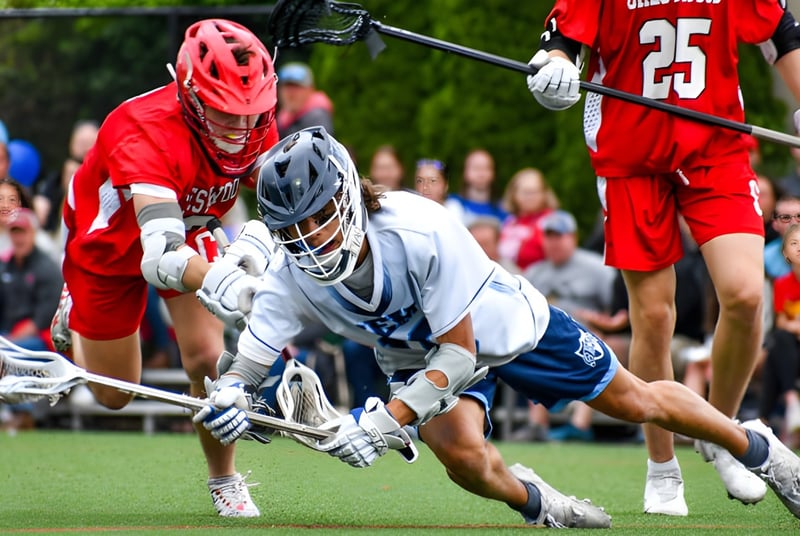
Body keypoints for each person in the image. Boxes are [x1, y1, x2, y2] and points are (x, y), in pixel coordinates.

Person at [195, 127, 800, 527]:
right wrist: (228, 395)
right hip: (411, 356)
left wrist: (383, 422)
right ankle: (544, 505)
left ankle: (763, 452)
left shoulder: (418, 228)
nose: (310, 239)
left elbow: (459, 356)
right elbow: (248, 362)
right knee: (465, 461)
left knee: (635, 400)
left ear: (350, 196)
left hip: (500, 327)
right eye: (293, 229)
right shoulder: (290, 273)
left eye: (320, 217)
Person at [527, 0, 800, 516]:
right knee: (653, 317)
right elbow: (564, 37)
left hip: (714, 145)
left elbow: (780, 32)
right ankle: (662, 467)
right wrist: (557, 66)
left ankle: (719, 432)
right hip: (629, 153)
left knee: (743, 295)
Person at [48, 19, 280, 517]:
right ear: (190, 94)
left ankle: (224, 478)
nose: (241, 132)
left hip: (190, 224)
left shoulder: (254, 118)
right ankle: (74, 314)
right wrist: (226, 279)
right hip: (111, 244)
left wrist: (260, 245)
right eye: (225, 113)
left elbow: (279, 199)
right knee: (113, 395)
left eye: (250, 113)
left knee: (207, 359)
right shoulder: (141, 128)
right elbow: (161, 254)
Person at [521, 209, 617, 442]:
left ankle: (579, 425)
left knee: (595, 343)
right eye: (549, 236)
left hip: (587, 335)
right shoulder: (534, 272)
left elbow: (615, 308)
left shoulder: (597, 268)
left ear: (572, 237)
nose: (553, 243)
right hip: (546, 337)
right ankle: (537, 425)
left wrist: (603, 321)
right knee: (525, 346)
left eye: (559, 236)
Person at [0, 208, 63, 431]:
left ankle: (24, 413)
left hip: (43, 341)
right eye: (14, 232)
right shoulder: (4, 267)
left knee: (8, 355)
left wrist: (7, 341)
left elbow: (41, 320)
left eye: (22, 232)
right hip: (10, 336)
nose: (18, 238)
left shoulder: (46, 269)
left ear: (33, 233)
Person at [759, 222, 800, 447]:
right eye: (794, 244)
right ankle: (791, 400)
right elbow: (782, 321)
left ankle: (765, 418)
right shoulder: (783, 284)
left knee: (776, 349)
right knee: (780, 341)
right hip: (792, 348)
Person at [498, 167, 557, 272]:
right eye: (525, 192)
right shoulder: (510, 222)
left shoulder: (552, 220)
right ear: (514, 195)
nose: (530, 197)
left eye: (535, 192)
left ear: (544, 194)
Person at [444, 148, 506, 227]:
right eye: (476, 168)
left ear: (493, 173)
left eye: (486, 168)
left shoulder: (502, 208)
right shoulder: (453, 204)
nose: (481, 174)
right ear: (465, 172)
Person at [276, 62, 334, 138]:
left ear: (310, 89)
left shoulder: (317, 117)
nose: (291, 93)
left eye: (296, 87)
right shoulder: (283, 118)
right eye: (287, 87)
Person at [765, 194, 800, 280]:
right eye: (785, 217)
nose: (794, 223)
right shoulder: (765, 258)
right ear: (775, 223)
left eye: (799, 216)